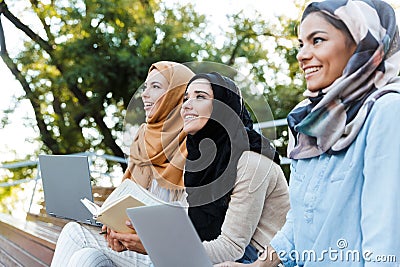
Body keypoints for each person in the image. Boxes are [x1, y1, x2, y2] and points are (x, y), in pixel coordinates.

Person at [216, 0, 400, 266]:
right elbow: (299, 222)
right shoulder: (308, 120)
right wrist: (256, 266)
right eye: (301, 43)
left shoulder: (386, 112)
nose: (302, 55)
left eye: (317, 40)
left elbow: (385, 246)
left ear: (362, 44)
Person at [50, 61, 195, 267]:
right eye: (145, 87)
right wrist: (113, 226)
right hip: (138, 247)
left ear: (177, 94)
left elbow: (194, 225)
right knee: (85, 259)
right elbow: (131, 196)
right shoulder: (144, 139)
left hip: (171, 254)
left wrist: (148, 234)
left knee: (75, 234)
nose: (144, 94)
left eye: (155, 87)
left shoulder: (197, 144)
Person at [181, 72, 290, 264]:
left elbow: (232, 248)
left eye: (200, 97)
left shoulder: (252, 162)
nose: (186, 105)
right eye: (185, 98)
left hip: (257, 259)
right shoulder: (199, 163)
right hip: (216, 254)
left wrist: (165, 252)